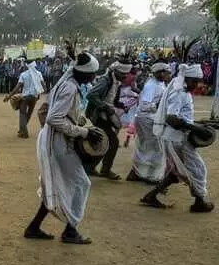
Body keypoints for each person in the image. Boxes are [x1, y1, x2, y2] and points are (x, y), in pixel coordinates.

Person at [24, 51, 102, 244]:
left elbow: (65, 113)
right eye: (93, 74)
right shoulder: (69, 88)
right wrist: (84, 133)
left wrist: (84, 123)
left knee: (54, 184)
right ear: (83, 73)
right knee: (82, 183)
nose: (94, 77)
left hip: (55, 140)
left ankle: (34, 227)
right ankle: (70, 230)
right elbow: (54, 118)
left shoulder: (68, 84)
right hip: (58, 142)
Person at [141, 63, 214, 212]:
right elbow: (171, 118)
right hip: (177, 139)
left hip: (175, 138)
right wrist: (195, 128)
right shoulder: (179, 93)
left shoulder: (181, 90)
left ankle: (151, 196)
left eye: (199, 81)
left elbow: (181, 117)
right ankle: (199, 202)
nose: (197, 84)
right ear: (186, 79)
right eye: (195, 81)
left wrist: (197, 124)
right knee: (197, 169)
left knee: (176, 172)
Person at [85, 60, 133, 180]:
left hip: (106, 115)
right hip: (98, 115)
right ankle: (101, 169)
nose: (125, 76)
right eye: (122, 74)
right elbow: (91, 95)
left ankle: (91, 167)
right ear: (115, 71)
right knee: (112, 142)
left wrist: (121, 105)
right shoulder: (105, 80)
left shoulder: (116, 82)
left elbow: (112, 100)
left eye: (126, 74)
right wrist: (105, 107)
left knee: (105, 142)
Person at [126, 61, 170, 183]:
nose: (169, 75)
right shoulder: (151, 85)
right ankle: (151, 177)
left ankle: (136, 173)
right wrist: (159, 105)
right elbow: (144, 105)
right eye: (167, 73)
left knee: (145, 146)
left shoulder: (160, 84)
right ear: (160, 73)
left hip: (151, 118)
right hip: (146, 119)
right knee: (154, 147)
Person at [3, 62, 45, 138]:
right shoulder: (38, 74)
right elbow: (44, 87)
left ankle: (24, 132)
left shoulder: (24, 74)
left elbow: (17, 87)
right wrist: (38, 94)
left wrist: (9, 96)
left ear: (27, 66)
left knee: (22, 114)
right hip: (34, 97)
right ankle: (22, 129)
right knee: (29, 113)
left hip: (25, 97)